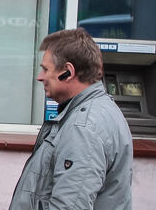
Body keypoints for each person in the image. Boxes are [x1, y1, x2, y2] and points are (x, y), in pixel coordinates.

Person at [9, 28, 133, 210]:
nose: (40, 77)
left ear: (67, 72)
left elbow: (70, 206)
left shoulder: (83, 127)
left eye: (45, 69)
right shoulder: (101, 109)